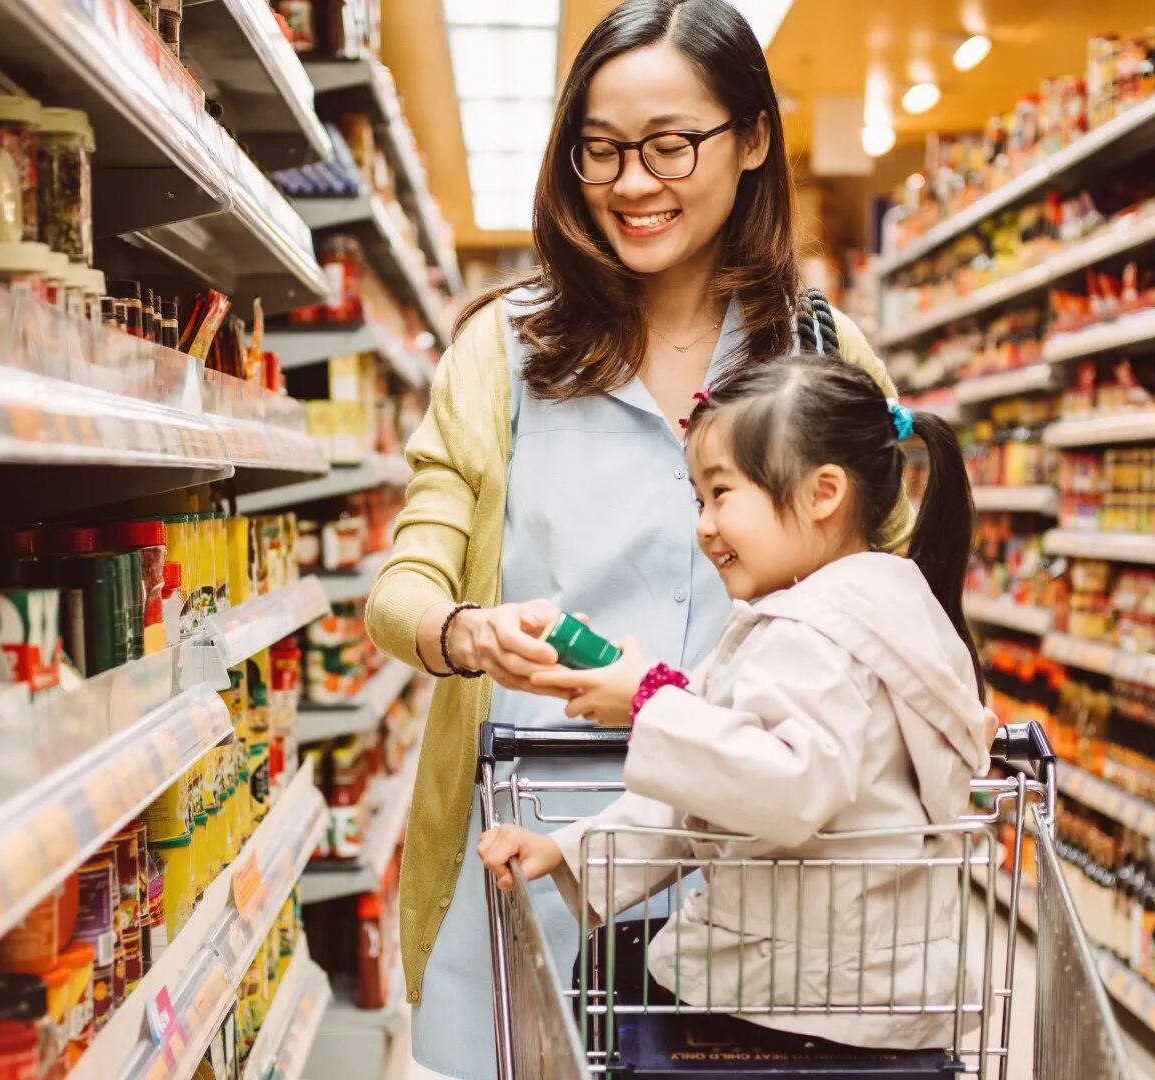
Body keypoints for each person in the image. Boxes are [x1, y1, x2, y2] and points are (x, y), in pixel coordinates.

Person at [363, 1, 916, 1075]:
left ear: (753, 139)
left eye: (671, 144)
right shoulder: (504, 351)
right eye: (601, 149)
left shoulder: (820, 353)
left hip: (768, 858)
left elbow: (888, 594)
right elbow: (406, 586)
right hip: (534, 846)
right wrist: (467, 629)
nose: (631, 182)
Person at [476, 354, 994, 1051]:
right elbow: (718, 792)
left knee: (607, 990)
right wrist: (569, 852)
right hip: (861, 972)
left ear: (823, 493)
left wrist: (648, 703)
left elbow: (783, 788)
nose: (705, 525)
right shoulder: (883, 604)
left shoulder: (813, 637)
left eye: (721, 494)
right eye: (699, 500)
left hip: (810, 994)